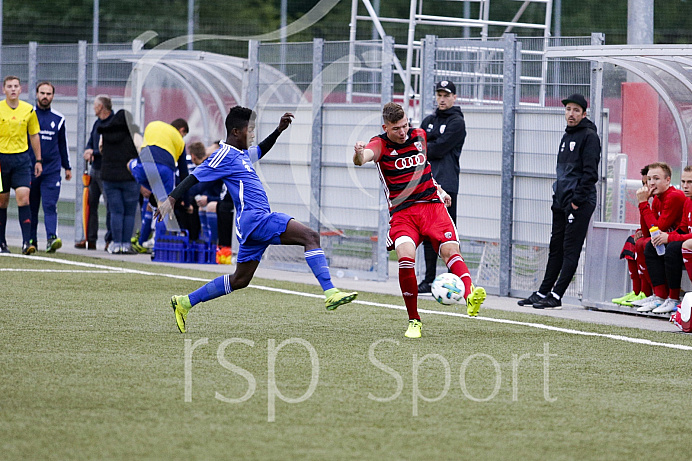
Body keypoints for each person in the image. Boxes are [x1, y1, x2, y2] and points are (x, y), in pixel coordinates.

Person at [155, 108, 357, 333]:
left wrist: (278, 131)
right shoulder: (223, 155)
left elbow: (261, 149)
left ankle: (184, 302)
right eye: (249, 130)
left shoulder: (242, 154)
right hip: (257, 219)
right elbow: (194, 176)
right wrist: (171, 200)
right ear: (235, 131)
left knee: (240, 280)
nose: (252, 134)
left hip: (252, 224)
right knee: (311, 237)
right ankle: (330, 293)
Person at [353, 102, 486, 339]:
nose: (403, 132)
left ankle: (469, 294)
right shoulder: (380, 144)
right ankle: (414, 320)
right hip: (403, 213)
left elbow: (425, 171)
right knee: (405, 257)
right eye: (396, 129)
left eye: (405, 126)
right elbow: (363, 158)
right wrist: (358, 152)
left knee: (450, 250)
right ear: (386, 127)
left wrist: (441, 191)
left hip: (432, 206)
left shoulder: (420, 136)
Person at [518, 94, 601, 309]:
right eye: (568, 109)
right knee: (555, 247)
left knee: (570, 248)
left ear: (584, 113)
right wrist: (558, 195)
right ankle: (543, 291)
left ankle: (556, 295)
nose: (571, 114)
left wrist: (576, 201)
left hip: (579, 202)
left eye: (575, 110)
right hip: (561, 201)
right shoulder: (567, 136)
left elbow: (590, 174)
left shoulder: (589, 136)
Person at [417, 80, 466, 294]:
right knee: (428, 233)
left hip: (447, 184)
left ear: (454, 97)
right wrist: (429, 144)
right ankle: (428, 280)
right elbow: (418, 146)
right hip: (427, 184)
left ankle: (454, 281)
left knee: (446, 234)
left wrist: (430, 143)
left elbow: (437, 149)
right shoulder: (428, 120)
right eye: (439, 94)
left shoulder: (457, 122)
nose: (442, 99)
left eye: (446, 95)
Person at [631, 162, 687, 313]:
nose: (651, 183)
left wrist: (643, 204)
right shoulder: (656, 198)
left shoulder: (674, 196)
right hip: (669, 238)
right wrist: (644, 203)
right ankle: (658, 296)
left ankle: (672, 298)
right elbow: (648, 231)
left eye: (656, 178)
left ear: (668, 180)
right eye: (649, 179)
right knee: (643, 243)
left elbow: (657, 229)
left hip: (678, 240)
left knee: (656, 246)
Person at [128, 118, 189, 253]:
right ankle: (158, 245)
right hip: (165, 169)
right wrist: (187, 200)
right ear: (182, 130)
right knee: (164, 206)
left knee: (130, 165)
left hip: (144, 166)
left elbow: (143, 148)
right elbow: (184, 172)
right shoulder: (179, 140)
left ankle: (141, 241)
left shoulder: (153, 124)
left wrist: (141, 183)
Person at [0, 76, 42, 255]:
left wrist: (38, 160)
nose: (13, 89)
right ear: (4, 90)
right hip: (1, 160)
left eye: (16, 86)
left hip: (22, 160)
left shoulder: (29, 110)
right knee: (2, 200)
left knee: (24, 197)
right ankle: (1, 242)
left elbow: (34, 135)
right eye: (9, 86)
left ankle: (27, 243)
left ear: (20, 89)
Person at [28, 82, 72, 253]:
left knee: (49, 204)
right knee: (31, 206)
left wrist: (67, 167)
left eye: (48, 93)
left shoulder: (59, 119)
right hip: (31, 168)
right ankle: (31, 239)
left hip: (52, 170)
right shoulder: (29, 115)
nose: (45, 96)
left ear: (53, 96)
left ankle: (51, 238)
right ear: (37, 94)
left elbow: (62, 144)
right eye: (42, 93)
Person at [98, 109, 140, 254]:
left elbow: (101, 149)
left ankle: (116, 244)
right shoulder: (134, 133)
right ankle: (126, 244)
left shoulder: (105, 131)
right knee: (129, 213)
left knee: (116, 211)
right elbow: (141, 151)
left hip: (110, 177)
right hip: (130, 177)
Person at [76, 95, 113, 250]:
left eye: (95, 105)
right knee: (90, 204)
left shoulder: (113, 123)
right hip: (95, 169)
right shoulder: (97, 123)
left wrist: (94, 152)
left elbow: (110, 148)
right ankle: (90, 238)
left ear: (101, 107)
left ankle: (110, 239)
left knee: (110, 205)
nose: (93, 108)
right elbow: (91, 142)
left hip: (108, 171)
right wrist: (87, 150)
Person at [611, 166, 651, 306]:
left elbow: (659, 224)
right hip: (654, 236)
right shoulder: (648, 198)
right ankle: (637, 291)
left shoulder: (667, 198)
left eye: (650, 182)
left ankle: (646, 293)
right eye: (644, 183)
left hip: (665, 238)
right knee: (632, 241)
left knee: (641, 244)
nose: (646, 187)